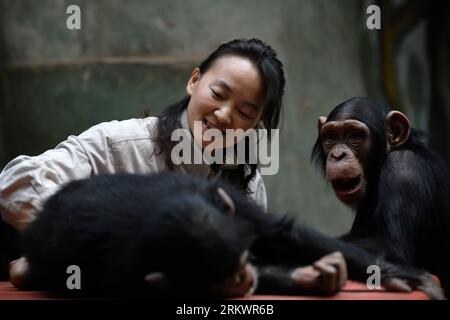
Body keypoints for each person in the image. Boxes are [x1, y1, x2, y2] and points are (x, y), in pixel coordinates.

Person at [0, 38, 347, 294]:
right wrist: (64, 239)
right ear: (194, 81)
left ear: (256, 125)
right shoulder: (121, 142)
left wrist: (298, 275)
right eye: (218, 93)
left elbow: (239, 270)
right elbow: (15, 181)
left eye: (244, 112)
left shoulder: (249, 184)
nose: (224, 116)